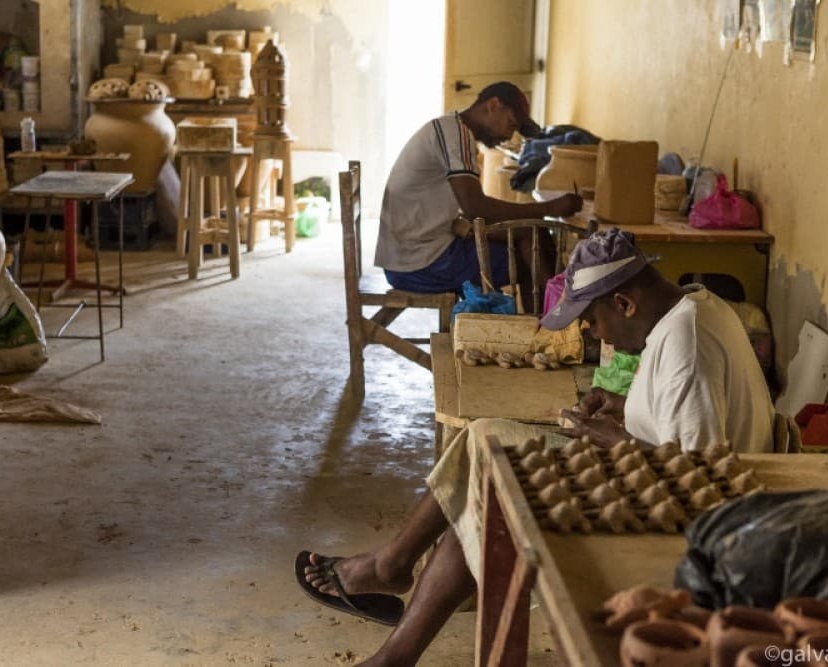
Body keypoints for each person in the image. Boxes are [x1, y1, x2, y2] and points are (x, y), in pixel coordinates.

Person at [295, 228, 775, 666]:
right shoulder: (693, 308)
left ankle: (391, 588)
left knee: (490, 474)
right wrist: (622, 405)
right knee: (486, 451)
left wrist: (615, 441)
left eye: (591, 321)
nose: (592, 333)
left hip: (680, 524)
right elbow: (682, 418)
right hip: (651, 478)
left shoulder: (686, 344)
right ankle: (392, 590)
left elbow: (697, 482)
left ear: (624, 303)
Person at [373, 81, 583, 311]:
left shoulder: (451, 128)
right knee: (527, 256)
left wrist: (533, 218)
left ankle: (550, 319)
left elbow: (472, 211)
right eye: (510, 124)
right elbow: (476, 209)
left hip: (412, 255)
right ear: (493, 105)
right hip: (419, 264)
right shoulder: (456, 134)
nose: (508, 135)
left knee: (533, 233)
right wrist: (548, 208)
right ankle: (555, 320)